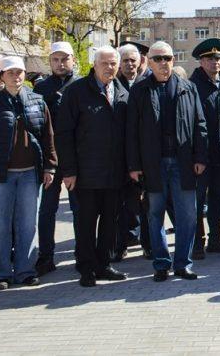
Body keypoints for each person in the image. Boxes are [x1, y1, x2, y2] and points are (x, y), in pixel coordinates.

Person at [126, 41, 207, 282]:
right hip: (153, 163)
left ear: (174, 60)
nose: (163, 63)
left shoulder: (188, 88)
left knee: (188, 216)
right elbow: (131, 131)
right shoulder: (139, 91)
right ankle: (161, 264)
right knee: (155, 215)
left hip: (183, 163)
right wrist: (134, 165)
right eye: (158, 59)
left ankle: (183, 263)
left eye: (168, 58)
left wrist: (200, 157)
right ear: (149, 62)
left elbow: (200, 125)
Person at [0, 55, 56, 290]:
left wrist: (50, 166)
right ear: (2, 76)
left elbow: (48, 136)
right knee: (0, 226)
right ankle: (1, 273)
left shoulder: (37, 101)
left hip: (30, 174)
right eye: (10, 72)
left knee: (28, 225)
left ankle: (25, 271)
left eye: (19, 72)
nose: (16, 76)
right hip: (0, 176)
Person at [56, 47, 129, 287]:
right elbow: (64, 134)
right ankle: (86, 268)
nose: (110, 68)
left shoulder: (122, 91)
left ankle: (103, 265)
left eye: (113, 63)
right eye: (104, 63)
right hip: (85, 173)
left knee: (110, 221)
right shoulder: (76, 91)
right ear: (94, 65)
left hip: (114, 172)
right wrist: (69, 171)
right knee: (86, 223)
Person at [34, 41, 82, 276]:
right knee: (47, 210)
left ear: (73, 60)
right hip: (50, 158)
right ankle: (45, 256)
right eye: (56, 59)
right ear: (50, 62)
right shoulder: (41, 88)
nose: (60, 64)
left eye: (65, 59)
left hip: (77, 157)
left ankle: (83, 254)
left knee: (79, 209)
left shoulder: (81, 85)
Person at [190, 38, 220, 258]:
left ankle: (216, 239)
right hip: (202, 155)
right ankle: (197, 243)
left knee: (218, 197)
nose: (215, 62)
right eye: (210, 58)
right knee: (197, 201)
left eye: (218, 58)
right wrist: (197, 155)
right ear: (201, 62)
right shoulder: (192, 86)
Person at [113, 43, 146, 262]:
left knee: (144, 202)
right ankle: (120, 244)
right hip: (119, 155)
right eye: (125, 60)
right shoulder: (112, 86)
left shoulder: (146, 84)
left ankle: (147, 244)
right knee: (120, 203)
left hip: (143, 154)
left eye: (133, 60)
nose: (129, 64)